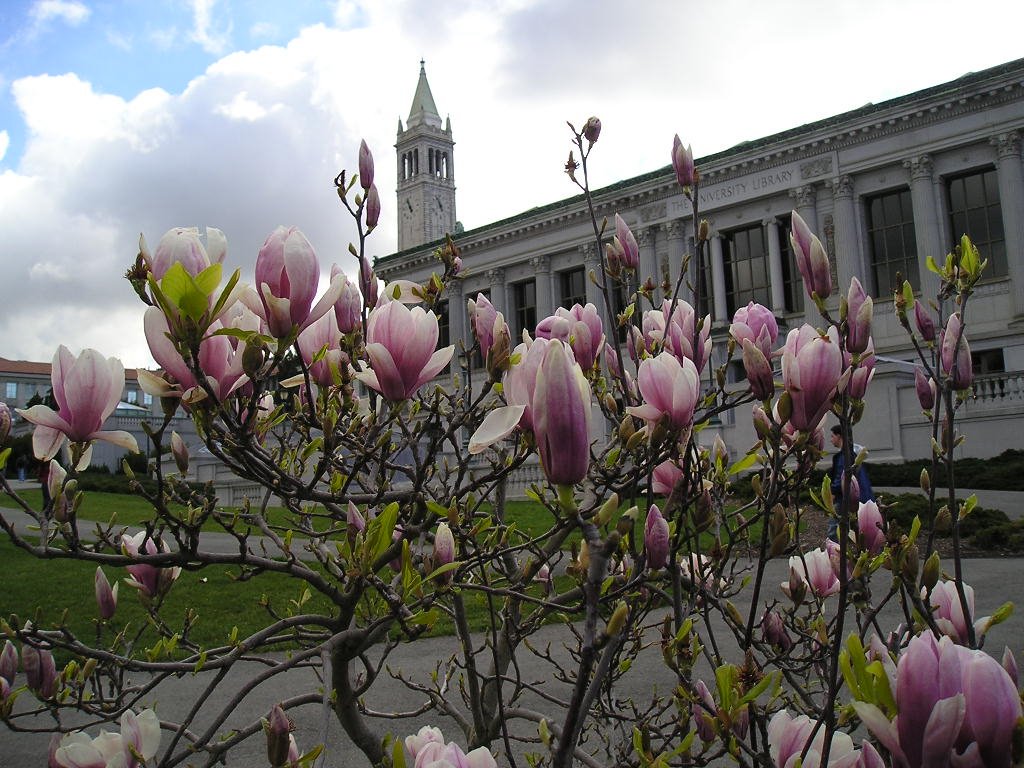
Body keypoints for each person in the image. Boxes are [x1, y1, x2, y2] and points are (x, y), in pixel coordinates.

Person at [827, 425, 874, 542]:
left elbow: (841, 477)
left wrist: (833, 493)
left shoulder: (845, 456)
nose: (830, 439)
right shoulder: (852, 454)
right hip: (856, 497)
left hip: (843, 497)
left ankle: (837, 553)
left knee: (835, 528)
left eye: (832, 436)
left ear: (839, 436)